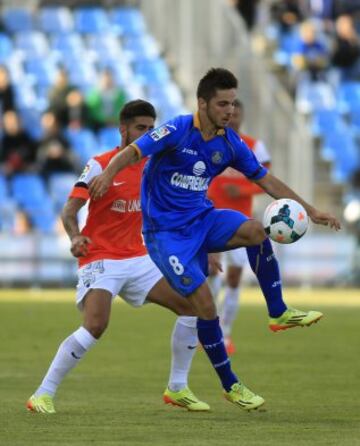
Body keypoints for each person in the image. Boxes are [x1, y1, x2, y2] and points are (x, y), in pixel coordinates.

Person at [89, 68, 340, 410]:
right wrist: (108, 173)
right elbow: (133, 152)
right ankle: (231, 385)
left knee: (255, 230)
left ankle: (278, 311)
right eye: (223, 104)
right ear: (202, 103)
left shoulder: (229, 143)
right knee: (205, 307)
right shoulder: (177, 129)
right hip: (166, 235)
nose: (230, 111)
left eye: (233, 104)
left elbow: (266, 180)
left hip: (203, 219)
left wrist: (309, 210)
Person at [26, 100, 210, 414]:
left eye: (151, 129)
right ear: (123, 129)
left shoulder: (158, 166)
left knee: (194, 308)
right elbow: (70, 210)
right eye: (141, 128)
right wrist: (75, 237)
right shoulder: (100, 164)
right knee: (96, 325)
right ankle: (42, 394)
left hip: (139, 257)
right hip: (101, 256)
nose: (147, 134)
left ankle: (177, 388)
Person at [207, 99, 271, 355]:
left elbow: (265, 181)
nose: (232, 119)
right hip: (209, 218)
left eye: (236, 115)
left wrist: (242, 189)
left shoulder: (255, 146)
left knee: (233, 278)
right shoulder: (208, 143)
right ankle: (208, 329)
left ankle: (226, 333)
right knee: (210, 272)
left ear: (240, 117)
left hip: (240, 223)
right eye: (229, 114)